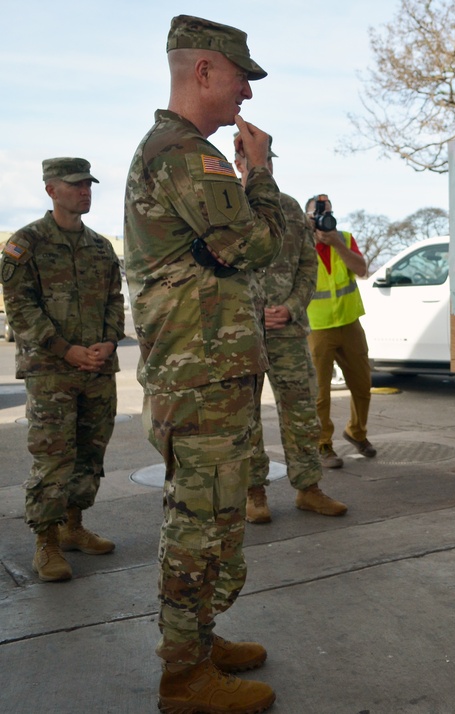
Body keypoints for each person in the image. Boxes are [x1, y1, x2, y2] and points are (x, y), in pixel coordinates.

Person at [123, 15, 284, 714]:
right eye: (242, 76)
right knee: (199, 522)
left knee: (213, 518)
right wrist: (263, 176)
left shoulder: (178, 151)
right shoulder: (186, 155)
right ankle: (183, 678)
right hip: (200, 378)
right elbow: (254, 247)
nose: (247, 93)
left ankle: (199, 639)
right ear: (205, 72)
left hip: (207, 374)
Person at [1, 157, 124, 583]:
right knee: (54, 457)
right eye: (74, 185)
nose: (84, 191)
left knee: (91, 453)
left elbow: (114, 300)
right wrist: (65, 349)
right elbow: (20, 308)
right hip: (51, 370)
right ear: (51, 189)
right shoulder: (26, 244)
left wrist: (109, 342)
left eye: (88, 184)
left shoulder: (101, 247)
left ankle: (74, 527)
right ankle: (47, 542)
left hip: (98, 366)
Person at [233, 139, 348, 523]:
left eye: (265, 161)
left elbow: (307, 266)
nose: (260, 167)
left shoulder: (289, 209)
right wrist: (252, 314)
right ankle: (254, 493)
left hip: (288, 330)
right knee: (245, 416)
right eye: (250, 161)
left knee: (301, 411)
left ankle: (308, 488)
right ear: (237, 163)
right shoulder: (226, 208)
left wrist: (292, 307)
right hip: (244, 335)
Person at [305, 195, 377, 467]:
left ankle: (357, 433)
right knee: (320, 393)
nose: (325, 220)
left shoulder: (344, 238)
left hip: (349, 323)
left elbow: (361, 270)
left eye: (329, 214)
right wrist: (308, 238)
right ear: (308, 218)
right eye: (318, 215)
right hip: (317, 327)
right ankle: (323, 445)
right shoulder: (300, 243)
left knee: (362, 385)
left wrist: (335, 242)